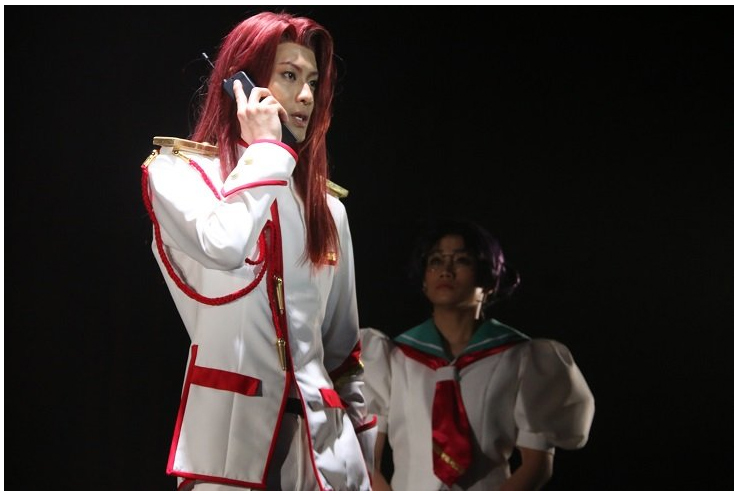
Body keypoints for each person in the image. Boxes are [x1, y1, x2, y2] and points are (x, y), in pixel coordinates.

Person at [140, 11, 376, 490]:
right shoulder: (176, 174)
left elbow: (342, 355)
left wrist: (369, 466)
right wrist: (267, 149)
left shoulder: (327, 208)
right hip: (229, 452)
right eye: (289, 76)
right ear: (241, 86)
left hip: (329, 461)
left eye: (313, 82)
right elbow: (224, 245)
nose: (306, 95)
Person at [361, 218, 595, 490]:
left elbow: (537, 465)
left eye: (462, 260)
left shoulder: (522, 358)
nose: (446, 271)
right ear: (424, 280)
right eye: (435, 261)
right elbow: (367, 463)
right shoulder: (393, 358)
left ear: (490, 280)